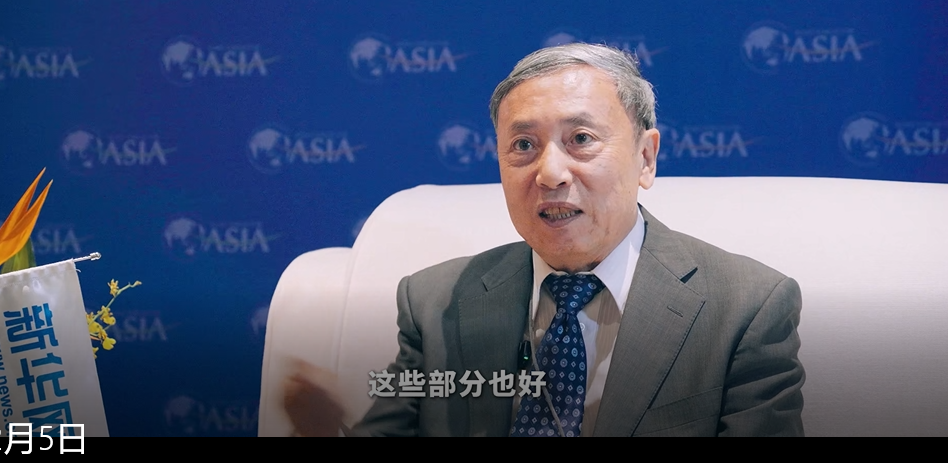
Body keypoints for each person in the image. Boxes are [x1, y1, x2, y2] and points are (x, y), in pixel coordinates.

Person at [285, 43, 805, 437]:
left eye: (581, 139)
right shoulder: (435, 302)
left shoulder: (745, 306)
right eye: (523, 145)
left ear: (645, 158)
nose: (550, 172)